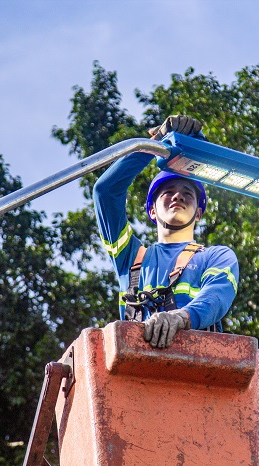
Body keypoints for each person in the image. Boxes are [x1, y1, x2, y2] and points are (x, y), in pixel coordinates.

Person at [93, 115, 239, 348]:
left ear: (198, 213)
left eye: (187, 194)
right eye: (168, 192)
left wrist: (181, 317)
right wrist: (154, 146)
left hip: (196, 368)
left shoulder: (216, 257)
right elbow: (105, 192)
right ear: (151, 210)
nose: (178, 196)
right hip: (136, 371)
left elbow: (217, 294)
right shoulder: (130, 258)